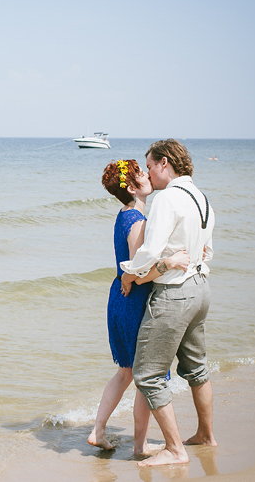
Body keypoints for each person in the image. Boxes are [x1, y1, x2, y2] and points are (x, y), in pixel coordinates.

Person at [120, 139, 216, 467]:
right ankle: (206, 435)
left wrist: (130, 274)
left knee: (147, 374)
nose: (148, 173)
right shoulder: (202, 198)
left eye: (149, 166)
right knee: (196, 368)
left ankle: (175, 450)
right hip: (201, 288)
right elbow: (207, 250)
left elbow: (149, 249)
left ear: (164, 163)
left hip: (175, 294)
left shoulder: (168, 198)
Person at [88, 159, 190, 454]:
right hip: (131, 302)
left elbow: (131, 271)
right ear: (132, 187)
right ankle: (140, 445)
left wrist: (130, 277)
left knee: (126, 373)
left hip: (119, 298)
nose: (147, 175)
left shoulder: (124, 214)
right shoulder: (137, 221)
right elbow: (138, 272)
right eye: (141, 174)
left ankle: (98, 431)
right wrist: (171, 263)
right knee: (146, 375)